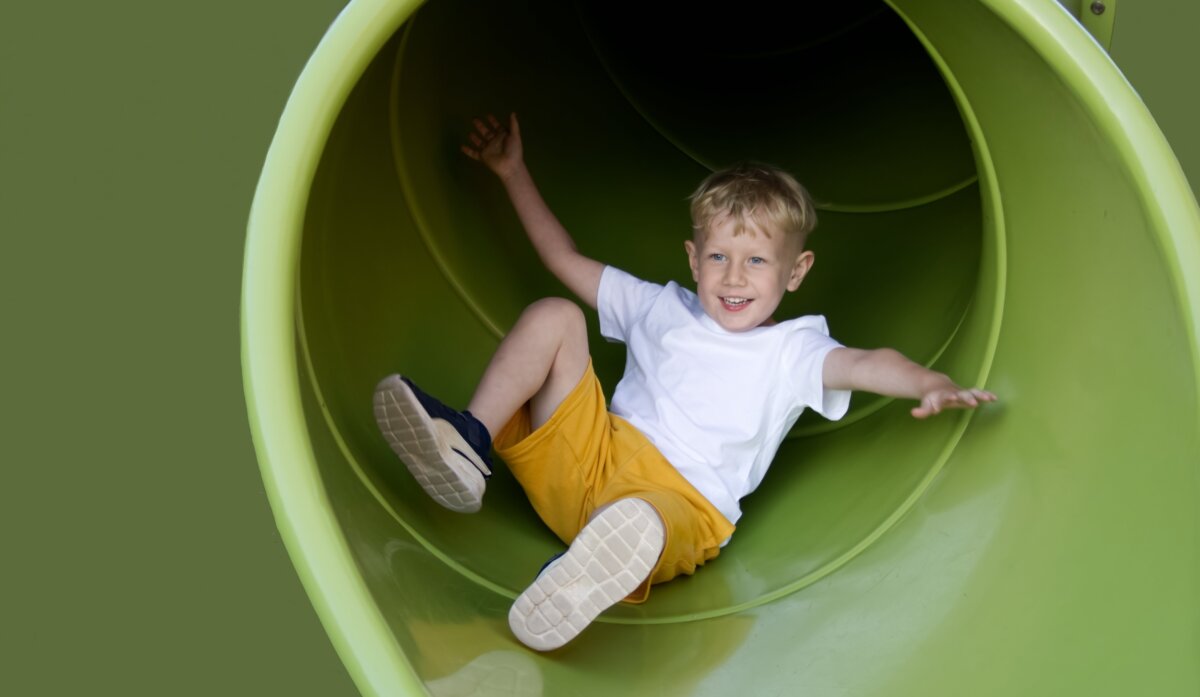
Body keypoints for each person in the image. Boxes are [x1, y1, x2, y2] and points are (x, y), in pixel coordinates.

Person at [373, 113, 996, 652]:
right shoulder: (659, 306)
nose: (734, 277)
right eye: (719, 257)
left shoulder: (792, 350)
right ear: (694, 259)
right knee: (556, 314)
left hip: (677, 505)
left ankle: (578, 575)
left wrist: (928, 382)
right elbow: (563, 258)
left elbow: (865, 364)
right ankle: (467, 442)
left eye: (757, 261)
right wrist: (512, 172)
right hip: (593, 458)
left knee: (641, 520)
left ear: (796, 271)